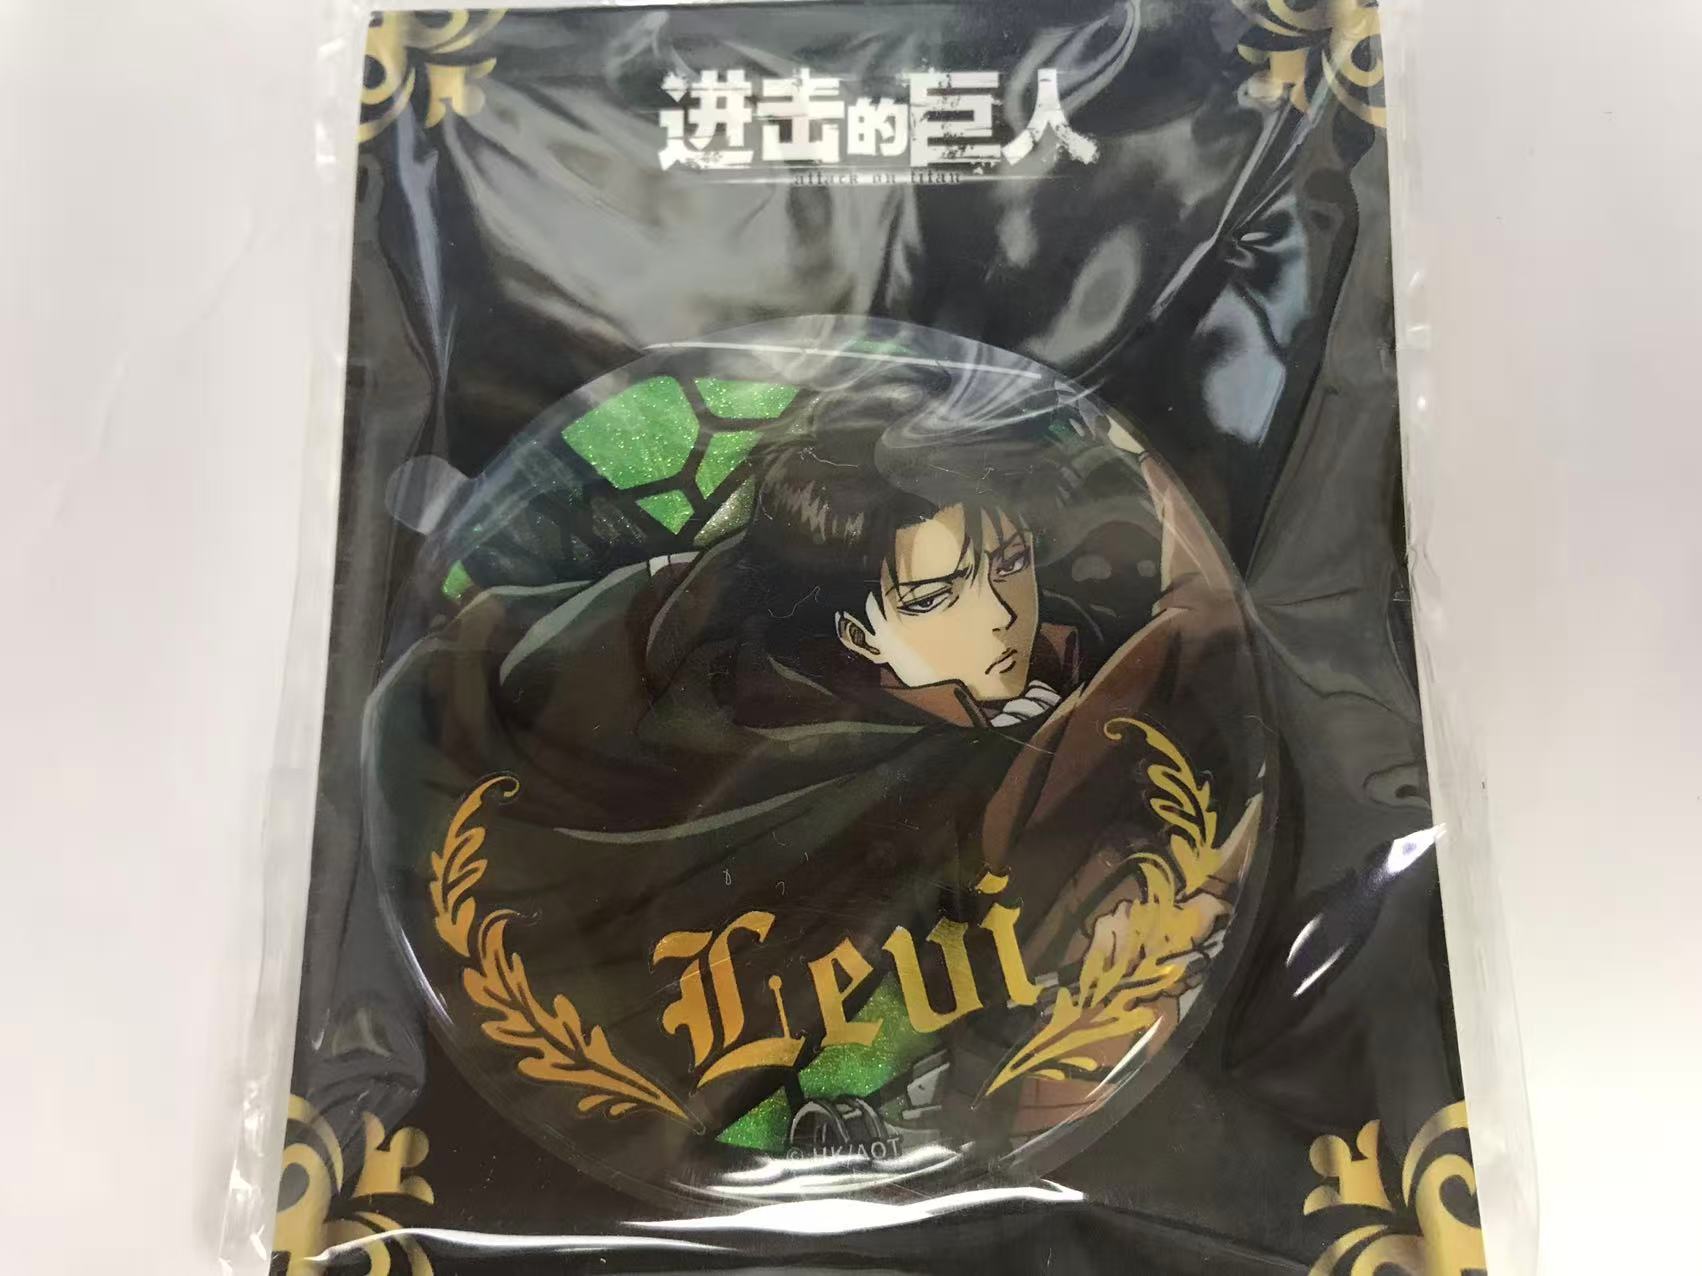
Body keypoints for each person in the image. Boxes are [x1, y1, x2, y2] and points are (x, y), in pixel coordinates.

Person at [364, 366, 1264, 1158]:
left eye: (1012, 562)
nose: (999, 617)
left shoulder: (1041, 660)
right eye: (935, 597)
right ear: (854, 632)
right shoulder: (803, 738)